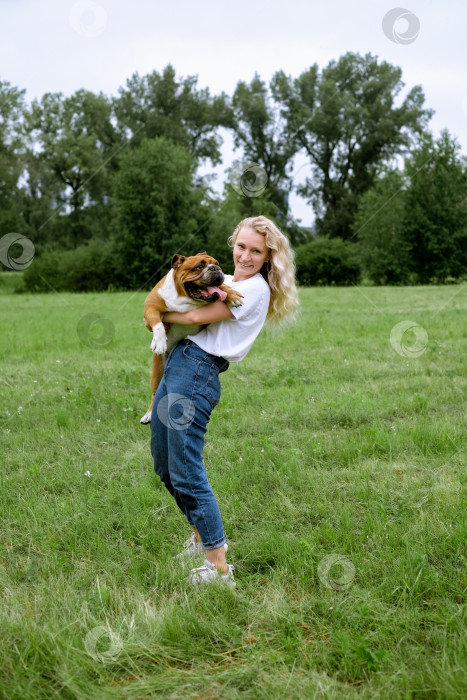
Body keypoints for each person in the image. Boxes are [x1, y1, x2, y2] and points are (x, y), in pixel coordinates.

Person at [150, 215, 299, 587]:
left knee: (185, 466)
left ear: (268, 257)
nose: (245, 256)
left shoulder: (255, 290)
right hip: (178, 363)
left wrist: (153, 310)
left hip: (198, 371)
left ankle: (218, 568)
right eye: (241, 246)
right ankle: (200, 537)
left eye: (256, 251)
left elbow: (199, 313)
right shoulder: (229, 280)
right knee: (165, 464)